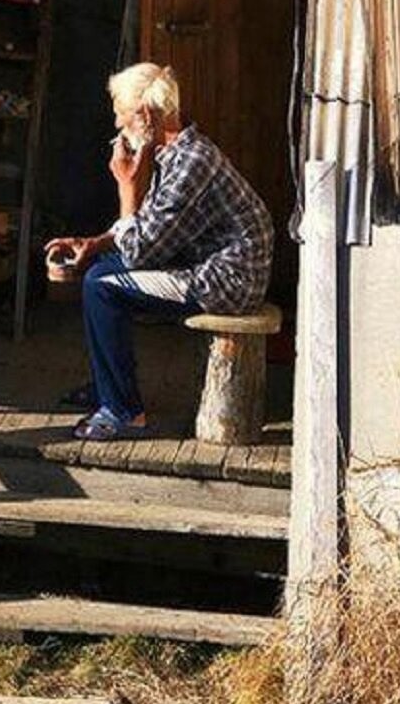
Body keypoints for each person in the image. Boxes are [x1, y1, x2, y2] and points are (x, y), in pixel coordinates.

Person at [43, 63, 273, 442]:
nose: (118, 128)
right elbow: (148, 229)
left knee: (102, 285)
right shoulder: (176, 155)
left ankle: (123, 411)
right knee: (101, 267)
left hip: (227, 281)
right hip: (204, 265)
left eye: (121, 117)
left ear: (146, 116)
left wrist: (127, 187)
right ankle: (107, 387)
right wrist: (94, 243)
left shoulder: (191, 163)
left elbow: (139, 252)